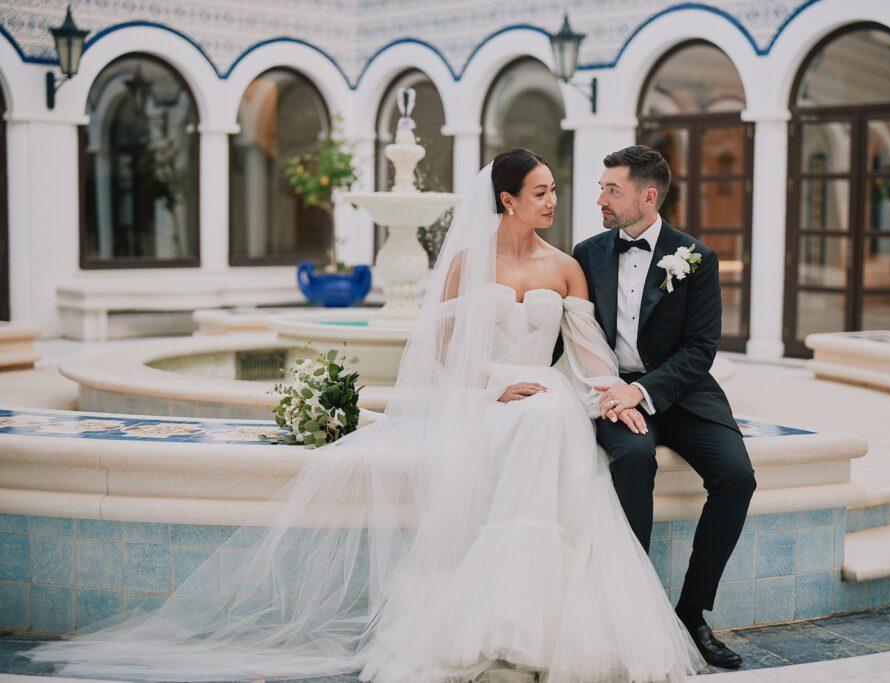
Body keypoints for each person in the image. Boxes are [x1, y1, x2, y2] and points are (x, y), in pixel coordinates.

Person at [30, 149, 704, 682]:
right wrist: (494, 386)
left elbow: (589, 354)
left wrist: (615, 394)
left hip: (547, 397)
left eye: (557, 190)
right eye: (542, 192)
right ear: (507, 199)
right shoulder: (465, 262)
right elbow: (445, 353)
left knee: (549, 421)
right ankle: (499, 618)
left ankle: (524, 618)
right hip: (490, 396)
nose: (556, 201)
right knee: (527, 421)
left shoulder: (567, 267)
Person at [573, 145, 757, 669]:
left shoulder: (695, 257)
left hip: (683, 391)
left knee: (736, 476)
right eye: (602, 188)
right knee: (633, 459)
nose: (600, 199)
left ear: (647, 196)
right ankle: (633, 612)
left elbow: (701, 348)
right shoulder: (586, 253)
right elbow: (573, 333)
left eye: (613, 189)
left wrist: (645, 390)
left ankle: (691, 613)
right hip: (614, 389)